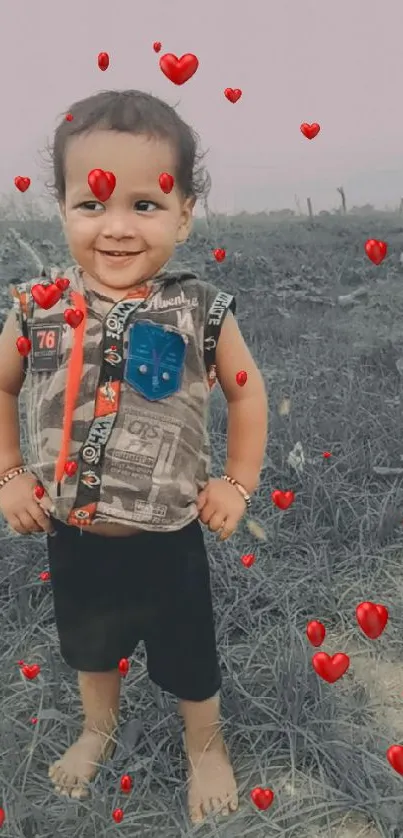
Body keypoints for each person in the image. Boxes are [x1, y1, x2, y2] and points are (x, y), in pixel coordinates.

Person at [0, 89, 268, 825]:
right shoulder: (36, 307)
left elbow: (246, 397)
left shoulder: (198, 308)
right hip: (73, 530)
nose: (116, 227)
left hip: (167, 533)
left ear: (184, 212)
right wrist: (11, 472)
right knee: (90, 646)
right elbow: (1, 386)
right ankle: (98, 728)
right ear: (62, 208)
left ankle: (204, 744)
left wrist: (238, 483)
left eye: (145, 205)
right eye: (93, 204)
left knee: (188, 651)